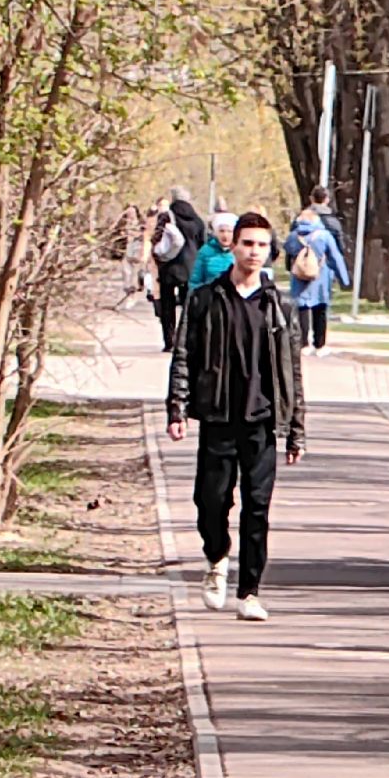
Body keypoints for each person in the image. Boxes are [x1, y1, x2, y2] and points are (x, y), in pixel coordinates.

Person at [166, 212, 306, 622]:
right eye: (248, 243)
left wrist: (296, 430)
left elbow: (291, 371)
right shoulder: (207, 298)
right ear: (234, 247)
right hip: (218, 416)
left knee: (257, 508)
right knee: (211, 502)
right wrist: (178, 405)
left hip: (262, 421)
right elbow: (184, 354)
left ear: (270, 251)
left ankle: (250, 592)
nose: (254, 252)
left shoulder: (279, 305)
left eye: (262, 245)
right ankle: (216, 557)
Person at [283, 208, 351, 356]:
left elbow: (287, 250)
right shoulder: (324, 236)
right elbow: (335, 257)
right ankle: (319, 344)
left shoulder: (293, 236)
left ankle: (304, 343)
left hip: (299, 278)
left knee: (302, 308)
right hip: (320, 277)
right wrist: (343, 278)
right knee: (320, 309)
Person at [155, 186, 207, 352]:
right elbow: (202, 243)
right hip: (190, 266)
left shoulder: (166, 217)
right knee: (188, 305)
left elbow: (157, 238)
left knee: (167, 305)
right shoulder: (198, 220)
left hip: (168, 267)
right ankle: (186, 340)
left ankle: (169, 341)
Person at [188, 211, 238, 293]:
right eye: (222, 231)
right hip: (210, 298)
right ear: (216, 232)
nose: (225, 235)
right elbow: (195, 280)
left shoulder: (239, 251)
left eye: (229, 231)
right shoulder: (205, 251)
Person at [308, 185, 346, 260]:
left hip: (303, 265)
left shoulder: (301, 219)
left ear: (311, 199)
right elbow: (340, 248)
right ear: (327, 200)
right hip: (325, 264)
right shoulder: (333, 222)